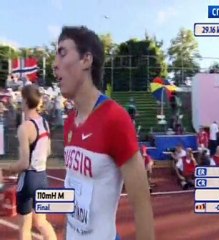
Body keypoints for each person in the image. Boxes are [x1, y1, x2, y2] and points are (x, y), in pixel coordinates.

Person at [53, 26, 154, 240]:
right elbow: (72, 186)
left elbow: (142, 204)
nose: (54, 65)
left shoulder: (115, 118)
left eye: (62, 53)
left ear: (86, 60)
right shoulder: (70, 120)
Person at [1, 84, 57, 240]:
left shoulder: (24, 127)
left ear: (25, 101)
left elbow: (24, 163)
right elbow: (48, 151)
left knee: (25, 227)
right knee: (41, 222)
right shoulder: (44, 123)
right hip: (42, 177)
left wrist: (8, 169)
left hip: (28, 179)